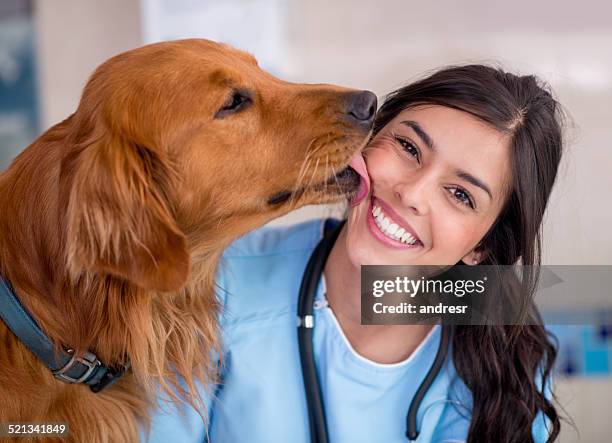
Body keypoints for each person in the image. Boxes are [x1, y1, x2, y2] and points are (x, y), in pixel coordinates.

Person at [144, 64, 564, 443]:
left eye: (460, 194)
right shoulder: (217, 280)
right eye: (408, 148)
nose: (411, 193)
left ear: (483, 247)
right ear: (367, 138)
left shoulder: (511, 364)